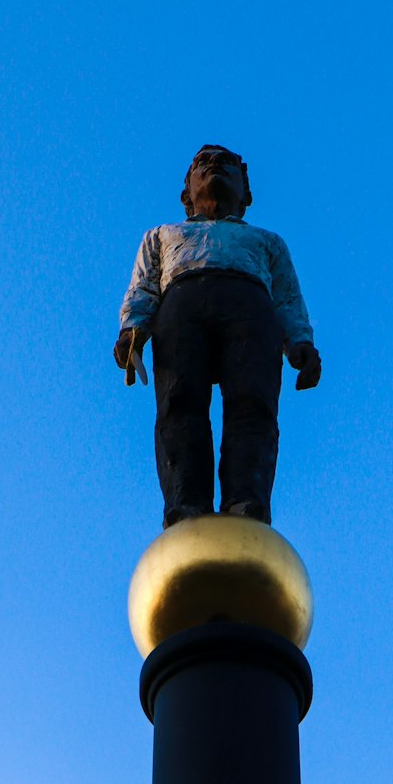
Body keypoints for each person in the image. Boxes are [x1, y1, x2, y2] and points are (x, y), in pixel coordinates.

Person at [115, 145, 321, 527]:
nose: (214, 168)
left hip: (251, 311)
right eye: (203, 164)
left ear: (246, 194)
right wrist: (132, 328)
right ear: (185, 195)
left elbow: (287, 297)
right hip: (181, 309)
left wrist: (299, 340)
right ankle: (186, 501)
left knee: (252, 403)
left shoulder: (267, 242)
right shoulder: (162, 235)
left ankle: (246, 500)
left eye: (226, 165)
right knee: (179, 402)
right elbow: (143, 287)